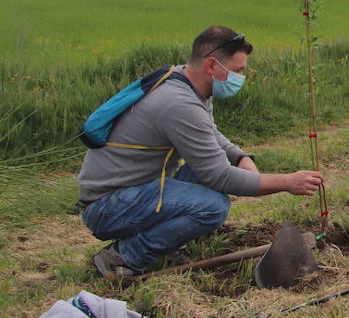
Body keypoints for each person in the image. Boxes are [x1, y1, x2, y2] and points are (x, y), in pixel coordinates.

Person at [77, 26, 325, 280]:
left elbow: (210, 135)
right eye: (237, 71)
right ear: (211, 66)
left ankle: (166, 244)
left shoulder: (187, 82)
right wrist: (286, 182)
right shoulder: (179, 103)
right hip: (108, 205)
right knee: (213, 207)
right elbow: (221, 177)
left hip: (132, 190)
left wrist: (241, 157)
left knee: (207, 166)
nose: (240, 77)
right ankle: (123, 257)